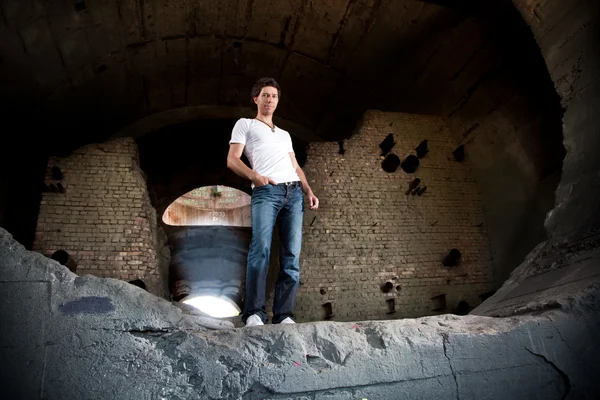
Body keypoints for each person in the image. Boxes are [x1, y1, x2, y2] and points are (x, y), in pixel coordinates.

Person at [227, 77, 319, 327]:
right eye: (266, 95)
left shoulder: (284, 134)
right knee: (261, 250)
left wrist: (308, 190)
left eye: (275, 96)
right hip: (267, 192)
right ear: (256, 99)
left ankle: (284, 315)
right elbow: (232, 160)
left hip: (294, 194)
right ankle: (254, 313)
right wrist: (255, 176)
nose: (270, 100)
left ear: (278, 101)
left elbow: (296, 166)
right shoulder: (245, 124)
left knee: (291, 256)